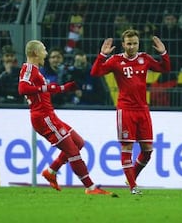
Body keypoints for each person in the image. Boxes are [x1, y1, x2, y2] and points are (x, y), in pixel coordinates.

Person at [18, 39, 115, 196]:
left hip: (50, 115)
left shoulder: (35, 70)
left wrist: (64, 88)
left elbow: (43, 92)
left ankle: (51, 171)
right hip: (43, 118)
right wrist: (47, 87)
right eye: (43, 50)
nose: (46, 53)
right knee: (72, 151)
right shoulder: (29, 68)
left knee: (78, 142)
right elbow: (22, 88)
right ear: (35, 53)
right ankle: (91, 188)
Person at [90, 29, 171, 194]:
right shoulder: (115, 61)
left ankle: (131, 177)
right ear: (123, 44)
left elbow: (165, 69)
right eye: (129, 43)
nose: (132, 47)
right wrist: (102, 55)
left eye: (135, 43)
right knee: (127, 148)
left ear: (138, 43)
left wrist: (164, 53)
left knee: (147, 151)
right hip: (125, 110)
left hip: (143, 109)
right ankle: (133, 187)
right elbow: (95, 72)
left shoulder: (145, 59)